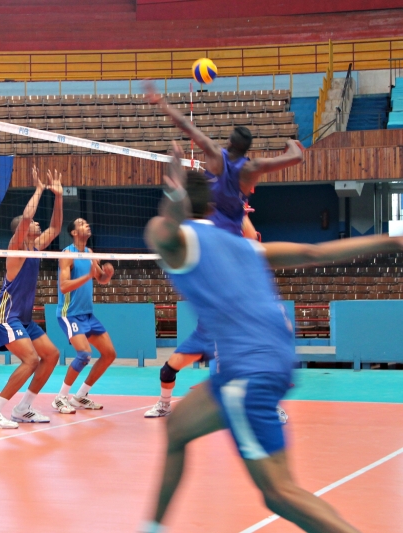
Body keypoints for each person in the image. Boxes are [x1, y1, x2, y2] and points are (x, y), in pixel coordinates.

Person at [138, 142, 398, 533]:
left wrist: (172, 191)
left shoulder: (176, 242)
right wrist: (391, 242)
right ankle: (151, 527)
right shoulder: (246, 247)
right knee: (176, 430)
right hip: (266, 362)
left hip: (247, 370)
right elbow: (313, 253)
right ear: (211, 207)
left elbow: (164, 228)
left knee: (279, 493)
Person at [144, 82, 305, 419]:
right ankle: (255, 393)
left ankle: (238, 387)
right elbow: (295, 157)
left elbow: (187, 128)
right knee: (257, 319)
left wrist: (161, 103)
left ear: (229, 142)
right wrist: (294, 144)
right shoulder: (251, 168)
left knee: (235, 322)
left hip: (207, 250)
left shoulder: (215, 159)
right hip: (232, 253)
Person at [0, 166, 63, 429]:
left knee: (51, 355)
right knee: (31, 360)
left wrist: (58, 197)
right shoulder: (15, 249)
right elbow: (27, 219)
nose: (38, 225)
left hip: (24, 318)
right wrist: (39, 190)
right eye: (32, 224)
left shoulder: (37, 248)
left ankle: (23, 407)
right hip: (4, 314)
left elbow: (56, 226)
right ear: (23, 230)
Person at [51, 218, 116, 414]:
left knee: (109, 354)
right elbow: (64, 286)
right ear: (73, 232)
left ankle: (81, 396)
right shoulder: (67, 254)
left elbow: (101, 280)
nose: (87, 225)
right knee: (84, 354)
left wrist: (107, 275)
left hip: (88, 315)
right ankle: (60, 397)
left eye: (88, 223)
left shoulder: (90, 254)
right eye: (82, 224)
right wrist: (87, 277)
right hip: (69, 314)